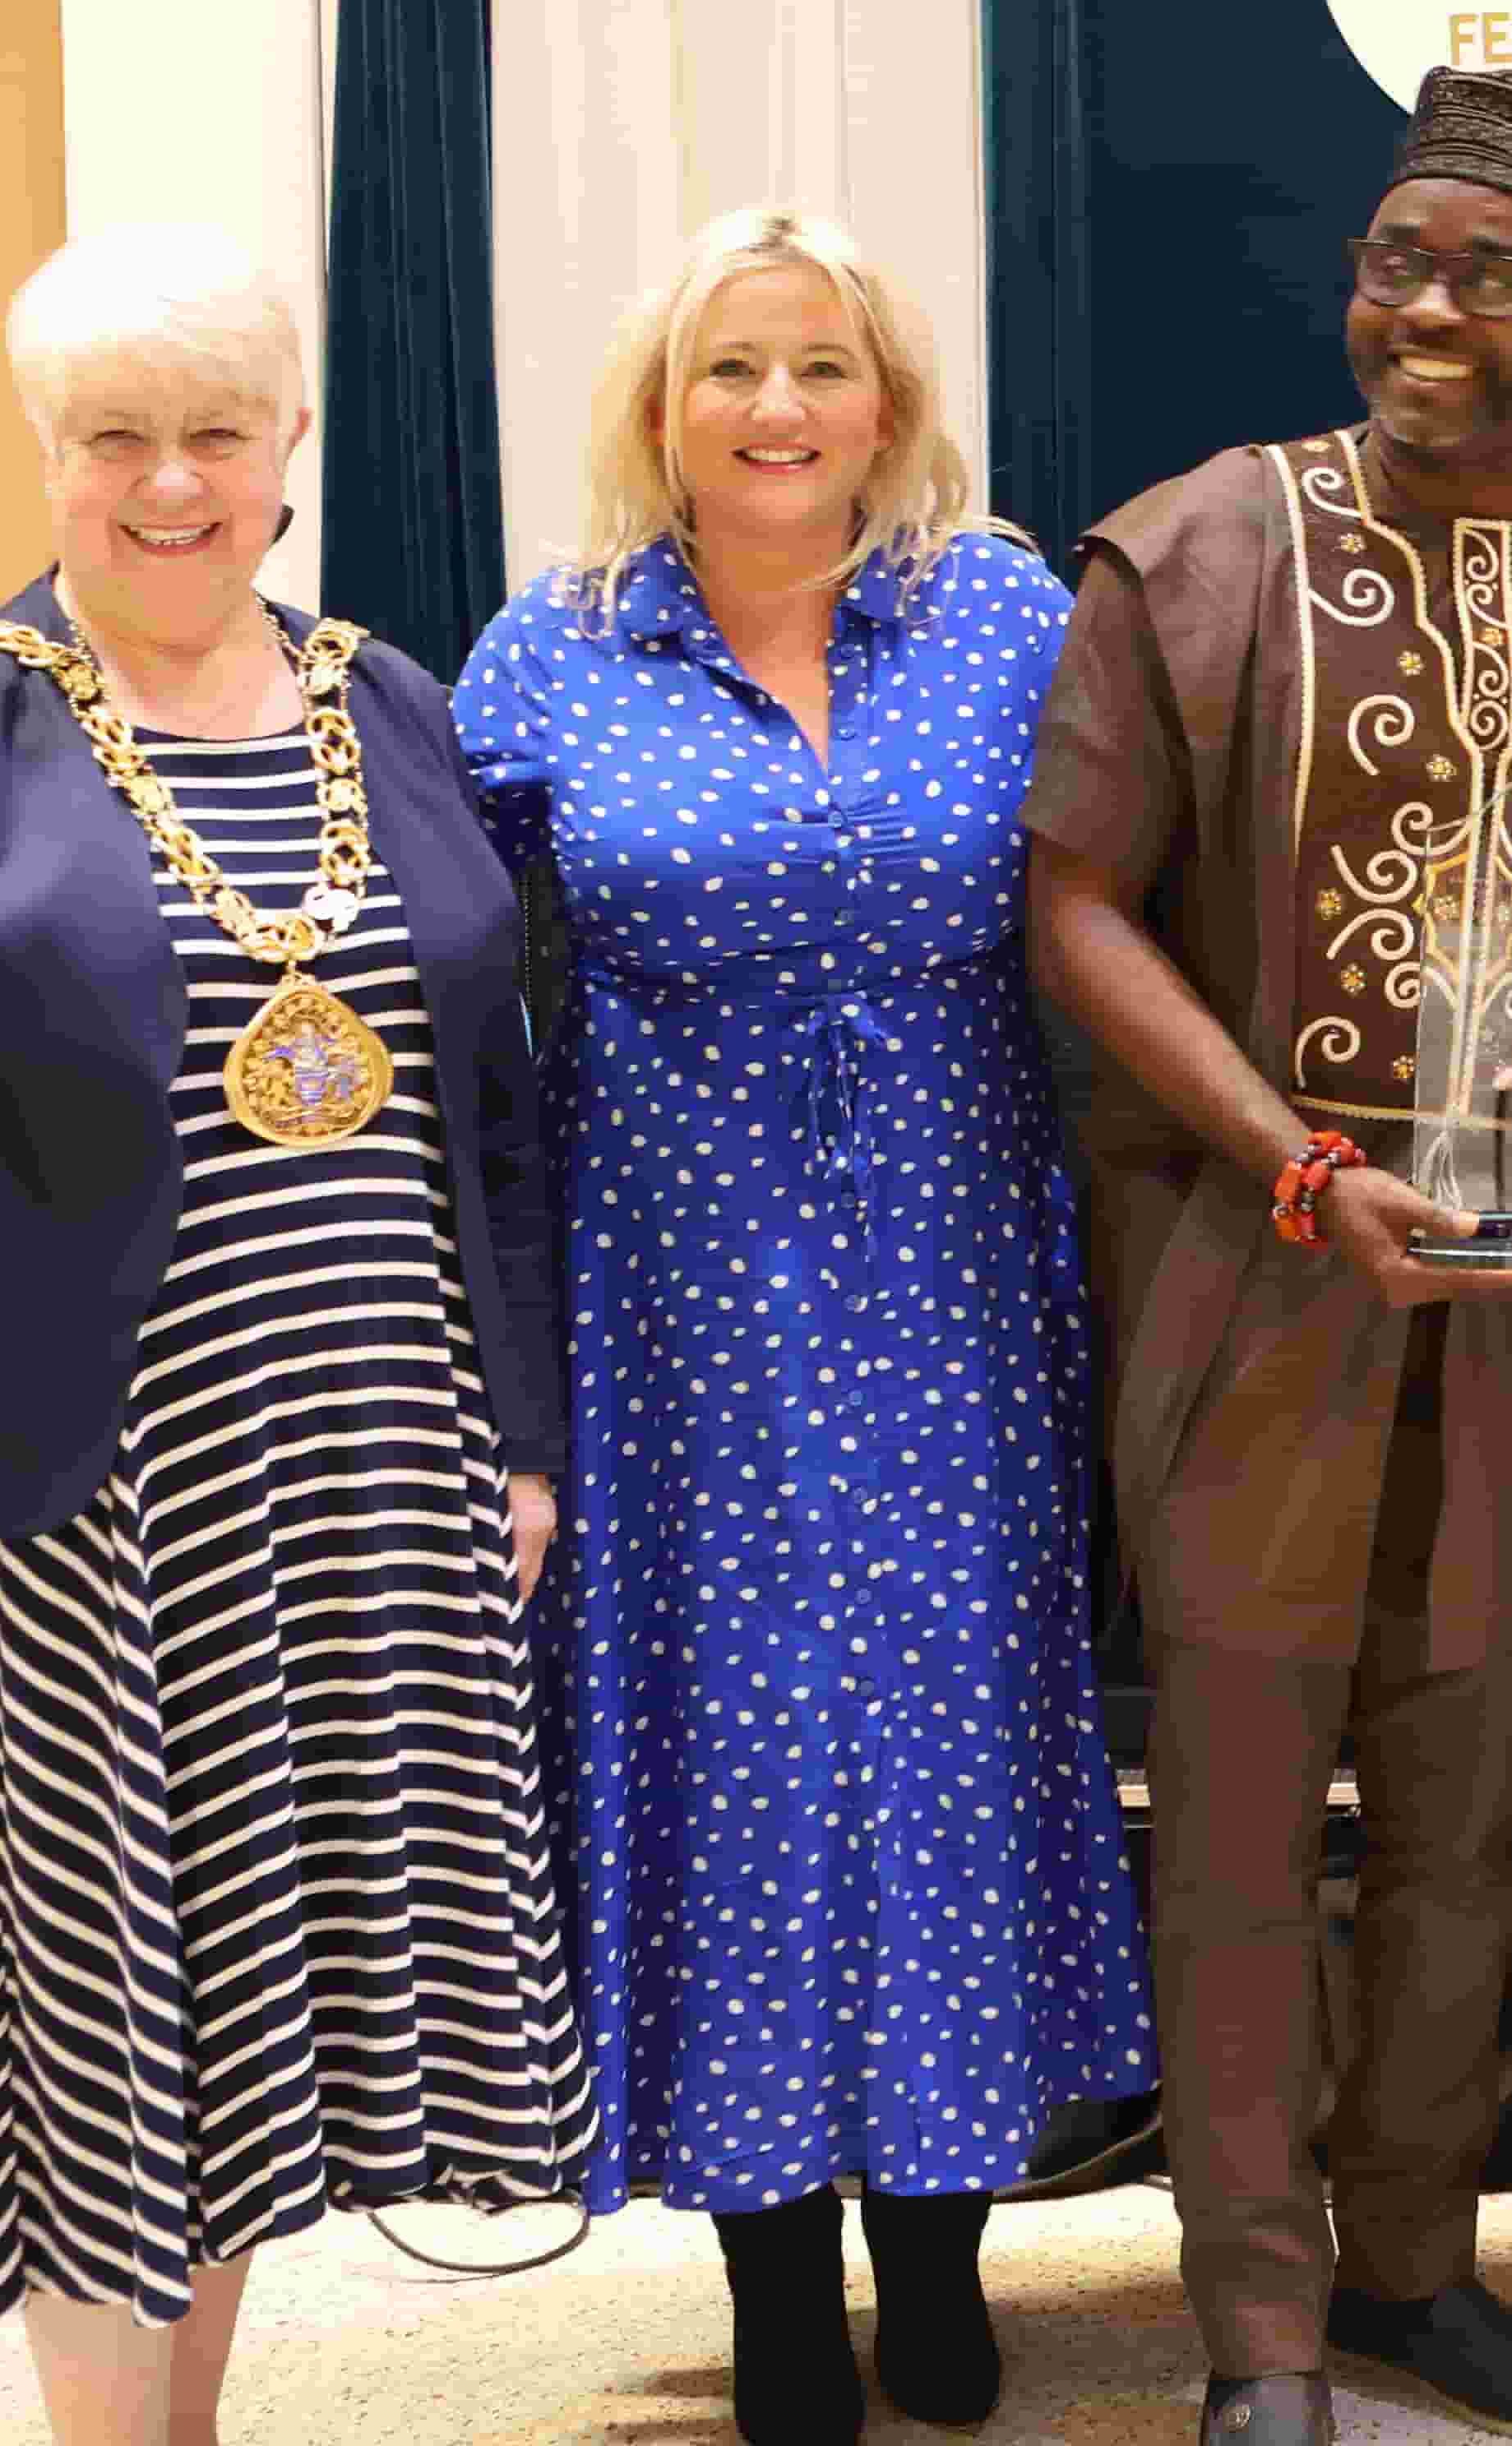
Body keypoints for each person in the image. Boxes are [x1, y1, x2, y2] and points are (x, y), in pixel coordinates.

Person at [0, 227, 589, 2442]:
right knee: (108, 2045)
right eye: (117, 436)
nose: (172, 483)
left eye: (218, 430)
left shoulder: (387, 707)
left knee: (244, 2032)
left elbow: (494, 1118)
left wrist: (519, 1434)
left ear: (292, 445)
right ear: (42, 453)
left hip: (370, 1481)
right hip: (77, 1517)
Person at [1024, 68, 1512, 2446]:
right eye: (1394, 261)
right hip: (1251, 1270)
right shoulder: (1202, 549)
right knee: (1232, 1809)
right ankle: (1261, 2331)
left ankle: (1420, 2267)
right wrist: (1298, 1165)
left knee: (1461, 1812)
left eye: (1484, 271)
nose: (1420, 306)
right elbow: (1073, 902)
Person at [455, 209, 1152, 2445]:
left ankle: (941, 2254)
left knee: (947, 1759)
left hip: (955, 1278)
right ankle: (773, 2282)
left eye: (820, 370)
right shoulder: (551, 647)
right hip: (671, 1287)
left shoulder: (1009, 616)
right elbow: (416, 984)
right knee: (738, 1766)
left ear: (893, 402)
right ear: (658, 409)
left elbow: (1151, 890)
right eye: (731, 371)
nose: (776, 413)